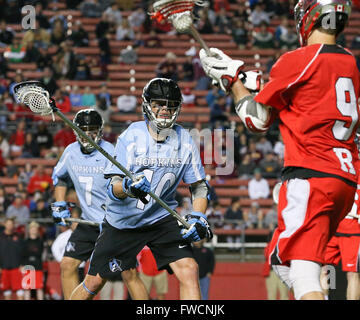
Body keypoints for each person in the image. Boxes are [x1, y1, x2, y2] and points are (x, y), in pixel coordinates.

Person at [200, 0, 358, 300]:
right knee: (281, 258)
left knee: (301, 271)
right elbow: (309, 99)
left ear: (311, 17)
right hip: (344, 178)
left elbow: (257, 120)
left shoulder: (297, 60)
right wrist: (259, 84)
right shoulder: (349, 61)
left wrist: (232, 81)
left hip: (311, 175)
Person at [69, 78, 212, 300]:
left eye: (170, 105)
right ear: (147, 105)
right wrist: (127, 188)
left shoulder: (185, 139)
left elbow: (199, 186)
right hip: (124, 221)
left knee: (189, 269)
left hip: (160, 218)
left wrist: (199, 216)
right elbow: (112, 185)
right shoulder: (131, 136)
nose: (165, 110)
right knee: (94, 281)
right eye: (158, 104)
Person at [50, 109, 114, 300]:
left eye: (92, 130)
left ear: (100, 131)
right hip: (87, 222)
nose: (88, 134)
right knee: (67, 265)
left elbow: (122, 188)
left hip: (111, 224)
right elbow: (60, 178)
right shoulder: (70, 152)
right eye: (83, 129)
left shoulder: (110, 151)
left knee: (128, 273)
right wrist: (60, 203)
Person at [321, 183, 360, 300]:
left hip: (353, 231)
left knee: (352, 273)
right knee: (324, 269)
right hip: (333, 228)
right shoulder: (342, 170)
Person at [0, 218, 24, 300]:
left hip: (17, 268)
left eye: (11, 224)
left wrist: (22, 264)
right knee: (6, 291)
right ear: (5, 224)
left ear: (13, 225)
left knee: (20, 291)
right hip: (4, 268)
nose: (10, 226)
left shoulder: (18, 236)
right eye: (8, 224)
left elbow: (23, 252)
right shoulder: (1, 237)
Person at [22, 221, 44, 300]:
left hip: (38, 267)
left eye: (35, 228)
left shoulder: (40, 241)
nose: (33, 230)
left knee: (39, 288)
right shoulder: (25, 242)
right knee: (27, 289)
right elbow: (24, 255)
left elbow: (39, 253)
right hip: (28, 267)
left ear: (37, 230)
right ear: (29, 230)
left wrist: (31, 252)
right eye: (32, 228)